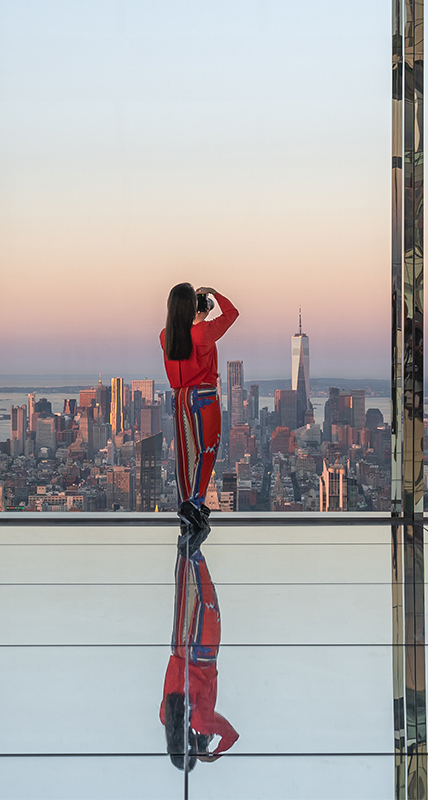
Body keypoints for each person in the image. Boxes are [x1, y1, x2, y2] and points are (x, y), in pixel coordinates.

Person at [160, 283, 238, 538]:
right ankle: (194, 502)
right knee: (207, 451)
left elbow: (186, 337)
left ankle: (187, 502)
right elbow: (232, 314)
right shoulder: (203, 332)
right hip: (203, 396)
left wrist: (195, 317)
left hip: (179, 397)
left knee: (185, 454)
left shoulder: (166, 335)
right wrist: (214, 293)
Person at [160, 546, 239, 770]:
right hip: (179, 649)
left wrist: (213, 754)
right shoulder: (166, 715)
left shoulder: (203, 723)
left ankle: (194, 545)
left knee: (206, 595)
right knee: (187, 587)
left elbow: (231, 735)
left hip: (203, 656)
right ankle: (186, 538)